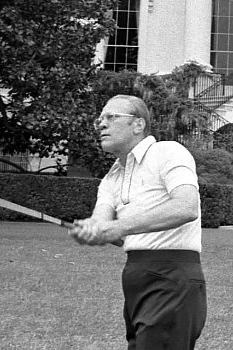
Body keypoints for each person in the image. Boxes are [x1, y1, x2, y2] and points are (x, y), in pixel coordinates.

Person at [70, 94, 206, 350]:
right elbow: (103, 223)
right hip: (135, 276)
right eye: (99, 118)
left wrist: (117, 227)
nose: (101, 124)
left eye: (111, 117)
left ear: (138, 125)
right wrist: (92, 230)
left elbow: (186, 207)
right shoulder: (111, 178)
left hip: (172, 278)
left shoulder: (168, 151)